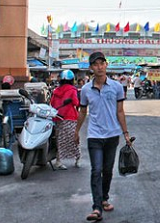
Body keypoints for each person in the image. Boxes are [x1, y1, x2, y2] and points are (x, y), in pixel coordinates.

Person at [75, 52, 131, 222]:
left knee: (107, 170)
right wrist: (76, 131)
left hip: (112, 135)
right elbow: (83, 111)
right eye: (95, 64)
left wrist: (125, 133)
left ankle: (104, 197)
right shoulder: (85, 90)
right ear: (91, 68)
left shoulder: (116, 87)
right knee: (96, 170)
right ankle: (97, 207)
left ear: (106, 65)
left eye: (101, 63)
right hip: (94, 135)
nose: (99, 67)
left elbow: (120, 111)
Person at [50, 69, 81, 170]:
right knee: (74, 139)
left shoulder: (56, 91)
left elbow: (52, 103)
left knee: (60, 139)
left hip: (58, 117)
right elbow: (76, 103)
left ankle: (59, 161)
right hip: (70, 117)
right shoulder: (72, 90)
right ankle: (77, 158)